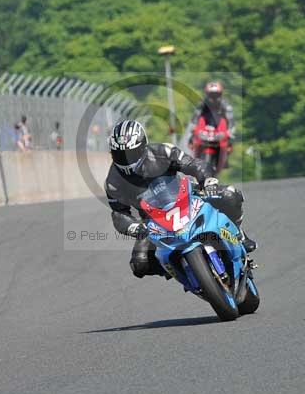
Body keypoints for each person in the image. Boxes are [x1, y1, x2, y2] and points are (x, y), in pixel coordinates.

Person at [104, 120, 257, 278]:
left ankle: (239, 234)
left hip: (188, 197)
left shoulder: (163, 151)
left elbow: (192, 164)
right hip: (153, 221)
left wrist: (207, 180)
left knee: (230, 195)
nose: (126, 159)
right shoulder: (112, 182)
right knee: (139, 264)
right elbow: (119, 213)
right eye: (120, 154)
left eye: (131, 153)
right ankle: (178, 269)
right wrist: (134, 227)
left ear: (143, 146)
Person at [187, 81, 235, 149]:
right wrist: (192, 133)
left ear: (220, 94)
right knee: (192, 141)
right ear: (207, 94)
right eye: (211, 95)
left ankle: (224, 156)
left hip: (219, 132)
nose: (214, 98)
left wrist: (229, 134)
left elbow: (230, 120)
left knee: (229, 146)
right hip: (204, 131)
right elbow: (195, 119)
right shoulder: (202, 104)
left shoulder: (225, 105)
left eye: (216, 95)